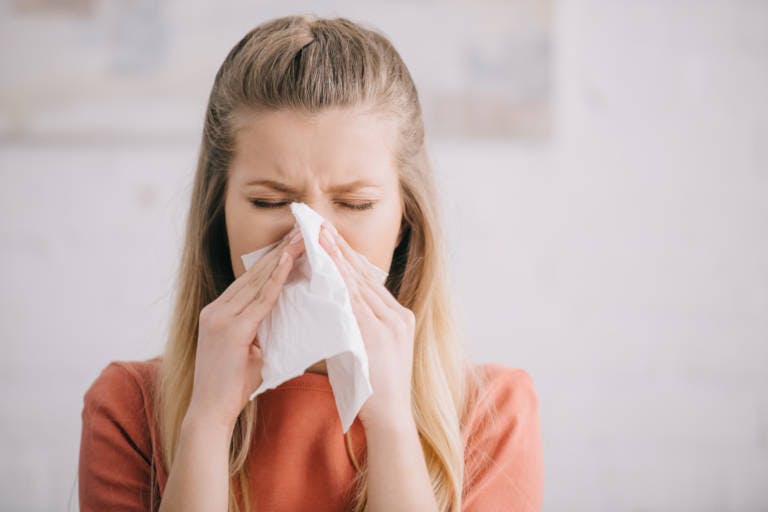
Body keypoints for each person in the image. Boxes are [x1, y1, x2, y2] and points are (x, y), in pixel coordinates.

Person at [77, 14, 543, 512]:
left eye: (357, 204)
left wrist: (390, 421)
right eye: (270, 202)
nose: (312, 242)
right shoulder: (129, 409)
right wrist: (208, 422)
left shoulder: (492, 413)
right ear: (219, 213)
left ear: (407, 218)